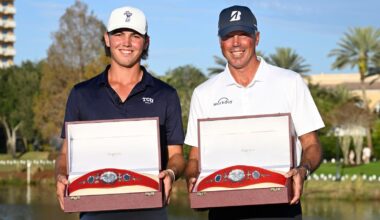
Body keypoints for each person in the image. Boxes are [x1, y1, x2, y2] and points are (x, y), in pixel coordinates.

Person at [185, 5, 324, 220]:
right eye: (228, 36)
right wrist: (193, 179)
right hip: (223, 207)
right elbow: (195, 157)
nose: (236, 43)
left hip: (281, 205)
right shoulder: (203, 93)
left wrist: (303, 170)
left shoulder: (290, 82)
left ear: (257, 38)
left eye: (243, 34)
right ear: (220, 41)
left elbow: (311, 144)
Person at [55, 6, 185, 220]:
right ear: (107, 39)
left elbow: (177, 156)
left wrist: (170, 173)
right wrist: (60, 175)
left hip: (150, 210)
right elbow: (64, 154)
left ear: (146, 42)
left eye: (135, 36)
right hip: (94, 211)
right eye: (119, 34)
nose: (126, 42)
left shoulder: (166, 94)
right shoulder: (81, 93)